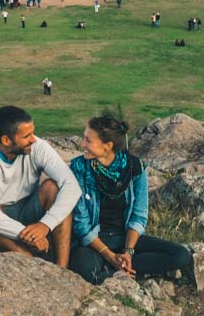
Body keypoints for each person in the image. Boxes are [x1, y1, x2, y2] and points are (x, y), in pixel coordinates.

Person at [68, 114, 193, 286]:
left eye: (88, 140)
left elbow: (138, 216)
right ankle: (119, 270)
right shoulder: (79, 169)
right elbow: (81, 225)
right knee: (82, 267)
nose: (82, 144)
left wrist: (128, 252)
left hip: (124, 238)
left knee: (181, 255)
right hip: (93, 243)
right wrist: (110, 256)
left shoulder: (135, 168)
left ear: (108, 146)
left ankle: (118, 268)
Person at [0, 105, 81, 266]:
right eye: (26, 136)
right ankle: (36, 269)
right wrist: (25, 234)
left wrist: (45, 225)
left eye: (32, 133)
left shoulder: (38, 147)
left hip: (28, 209)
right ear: (6, 140)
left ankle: (62, 269)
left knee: (53, 187)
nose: (34, 139)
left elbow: (72, 186)